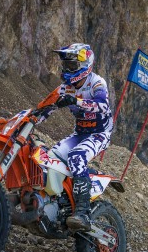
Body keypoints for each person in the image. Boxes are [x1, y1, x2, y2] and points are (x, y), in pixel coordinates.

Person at [42, 43, 113, 231]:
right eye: (65, 65)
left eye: (72, 66)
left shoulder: (97, 83)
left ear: (85, 65)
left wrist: (77, 101)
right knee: (50, 157)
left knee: (76, 157)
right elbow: (46, 106)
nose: (67, 69)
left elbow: (102, 105)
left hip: (99, 133)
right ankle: (57, 201)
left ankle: (82, 213)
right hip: (80, 133)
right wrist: (31, 118)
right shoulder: (65, 88)